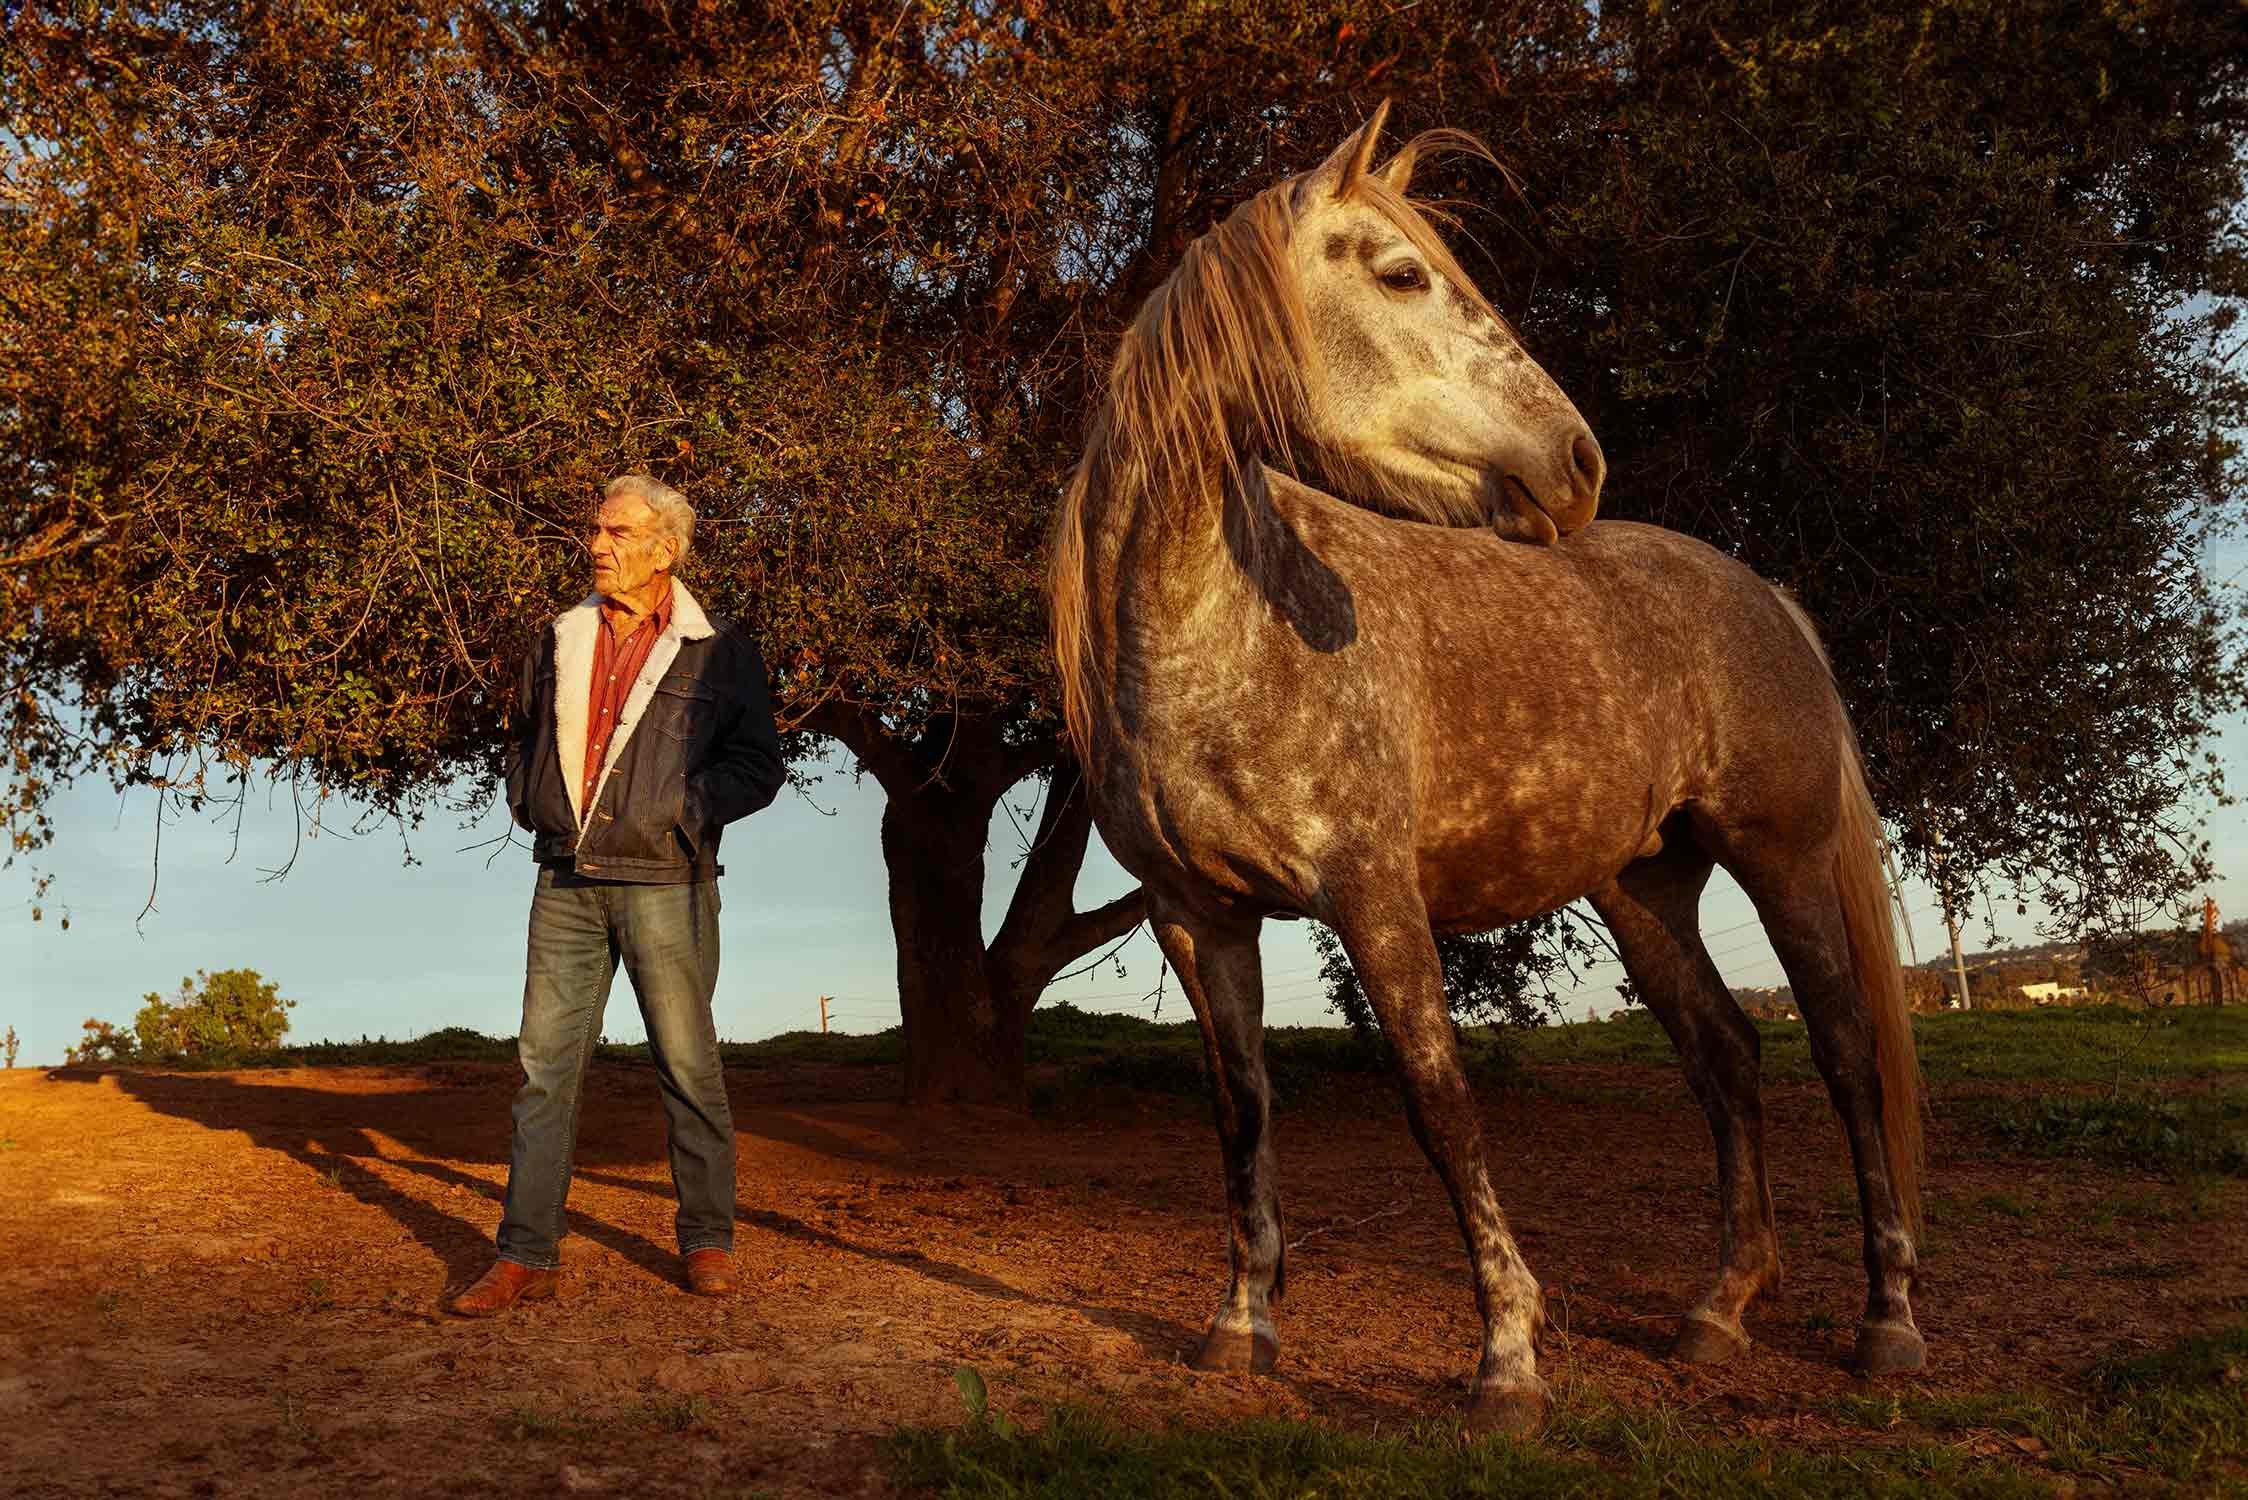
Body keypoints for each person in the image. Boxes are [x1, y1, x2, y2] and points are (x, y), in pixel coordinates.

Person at [449, 474, 786, 1316]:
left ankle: (708, 1242)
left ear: (665, 548)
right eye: (595, 530)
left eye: (617, 532)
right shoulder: (557, 639)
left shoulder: (721, 650)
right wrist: (532, 800)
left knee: (687, 1065)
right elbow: (527, 739)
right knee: (541, 1072)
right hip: (565, 878)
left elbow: (757, 764)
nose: (596, 545)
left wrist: (685, 814)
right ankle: (527, 1254)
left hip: (668, 880)